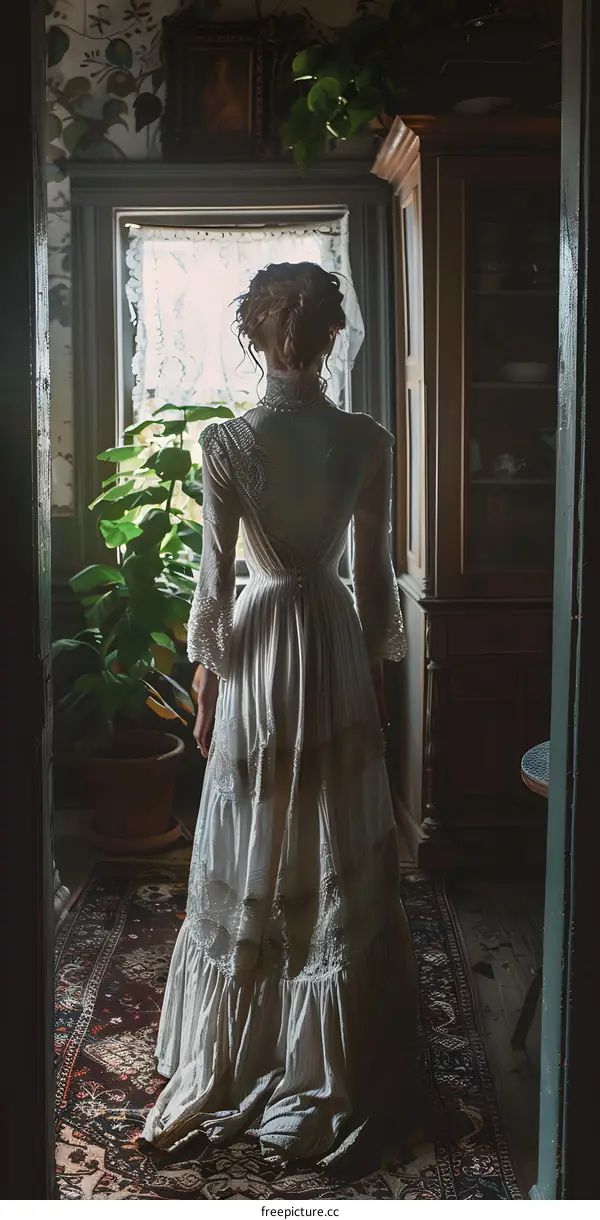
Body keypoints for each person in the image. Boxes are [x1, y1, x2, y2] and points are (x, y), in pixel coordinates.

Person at [142, 262, 419, 1166]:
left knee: (260, 807)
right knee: (331, 811)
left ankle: (251, 1029)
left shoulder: (225, 443)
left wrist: (211, 680)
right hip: (330, 634)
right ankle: (322, 1024)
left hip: (262, 640)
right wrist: (376, 674)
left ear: (255, 337)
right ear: (332, 337)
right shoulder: (368, 439)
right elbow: (375, 577)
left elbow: (215, 580)